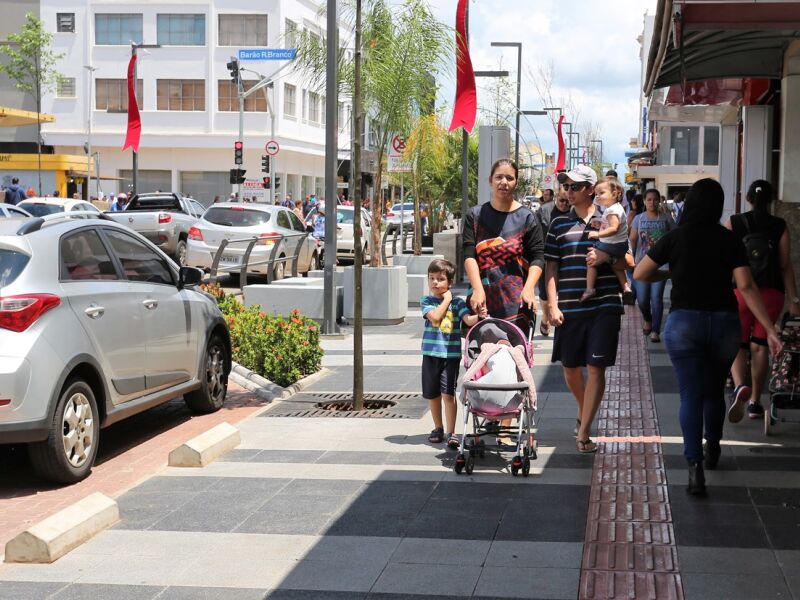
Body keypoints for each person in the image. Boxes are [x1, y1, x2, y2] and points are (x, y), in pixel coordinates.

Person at [634, 178, 782, 495]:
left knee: (691, 395)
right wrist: (769, 328)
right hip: (725, 323)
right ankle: (713, 447)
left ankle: (694, 468)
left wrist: (672, 272)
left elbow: (640, 273)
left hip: (685, 323)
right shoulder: (728, 240)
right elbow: (745, 285)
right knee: (714, 390)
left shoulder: (675, 237)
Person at [463, 157, 545, 447]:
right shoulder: (475, 215)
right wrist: (476, 289)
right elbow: (469, 253)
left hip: (516, 303)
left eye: (509, 177)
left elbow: (537, 257)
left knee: (513, 360)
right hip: (484, 298)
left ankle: (506, 424)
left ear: (516, 181)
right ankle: (484, 414)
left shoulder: (527, 218)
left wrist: (530, 288)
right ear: (490, 180)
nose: (504, 182)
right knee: (483, 359)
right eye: (499, 177)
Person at [544, 164, 625, 454]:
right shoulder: (558, 224)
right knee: (570, 370)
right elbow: (551, 266)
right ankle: (584, 409)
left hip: (604, 304)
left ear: (591, 189)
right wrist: (550, 305)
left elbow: (627, 260)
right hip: (568, 306)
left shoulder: (610, 219)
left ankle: (585, 431)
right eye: (566, 186)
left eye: (575, 186)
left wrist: (605, 256)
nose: (569, 191)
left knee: (596, 367)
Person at [725, 179, 800, 422]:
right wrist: (793, 299)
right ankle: (756, 402)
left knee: (739, 343)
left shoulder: (734, 222)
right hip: (771, 293)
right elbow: (785, 265)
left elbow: (723, 259)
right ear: (770, 200)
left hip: (740, 291)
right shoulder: (779, 225)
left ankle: (739, 387)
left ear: (748, 198)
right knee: (760, 346)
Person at [422, 259, 480, 448]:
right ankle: (438, 427)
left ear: (450, 283)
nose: (435, 283)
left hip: (450, 356)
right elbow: (435, 317)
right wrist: (446, 299)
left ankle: (451, 431)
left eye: (440, 279)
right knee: (432, 394)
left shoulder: (457, 303)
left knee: (448, 394)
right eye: (432, 278)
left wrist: (480, 315)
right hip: (430, 354)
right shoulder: (427, 301)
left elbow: (468, 321)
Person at [629, 189, 676, 343]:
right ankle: (647, 319)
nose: (652, 202)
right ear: (644, 201)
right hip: (641, 264)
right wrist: (631, 258)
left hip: (661, 265)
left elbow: (675, 237)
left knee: (656, 298)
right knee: (642, 299)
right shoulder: (638, 219)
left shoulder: (666, 218)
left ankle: (655, 330)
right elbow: (633, 239)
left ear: (659, 201)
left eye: (655, 199)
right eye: (649, 199)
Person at [581, 177, 631, 302]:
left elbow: (614, 228)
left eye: (601, 193)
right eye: (596, 194)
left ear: (614, 194)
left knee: (591, 259)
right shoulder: (617, 208)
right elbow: (612, 225)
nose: (598, 196)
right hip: (620, 245)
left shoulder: (611, 210)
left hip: (613, 244)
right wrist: (600, 224)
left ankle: (589, 289)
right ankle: (626, 287)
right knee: (616, 267)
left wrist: (597, 234)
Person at [535, 185, 570, 336]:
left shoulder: (575, 212)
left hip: (566, 259)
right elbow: (534, 234)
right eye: (561, 200)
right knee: (544, 295)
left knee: (563, 293)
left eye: (568, 202)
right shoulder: (544, 211)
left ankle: (561, 324)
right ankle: (545, 318)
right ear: (556, 198)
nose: (564, 204)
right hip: (545, 258)